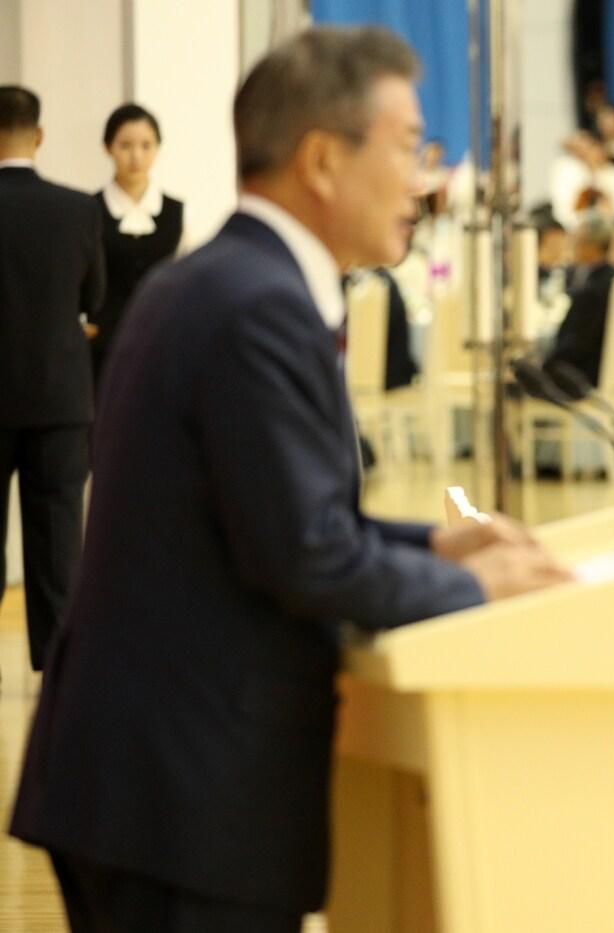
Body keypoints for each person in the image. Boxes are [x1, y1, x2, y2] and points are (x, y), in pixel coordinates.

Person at [10, 27, 571, 933]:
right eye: (408, 147)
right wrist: (474, 584)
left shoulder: (226, 280)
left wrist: (430, 539)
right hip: (182, 792)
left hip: (150, 779)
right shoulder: (254, 305)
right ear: (321, 158)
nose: (425, 178)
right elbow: (303, 554)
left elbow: (274, 514)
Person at [0, 85, 105, 675]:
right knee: (58, 546)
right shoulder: (78, 209)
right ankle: (61, 673)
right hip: (60, 397)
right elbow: (94, 300)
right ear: (38, 137)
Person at [90, 103, 184, 386]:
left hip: (163, 340)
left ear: (158, 148)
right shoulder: (89, 210)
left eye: (146, 145)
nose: (136, 156)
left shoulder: (175, 211)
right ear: (108, 148)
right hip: (103, 347)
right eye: (125, 145)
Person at [541, 208, 614, 395]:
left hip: (584, 377)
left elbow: (574, 347)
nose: (570, 245)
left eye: (575, 239)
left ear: (590, 245)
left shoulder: (593, 289)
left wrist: (542, 363)